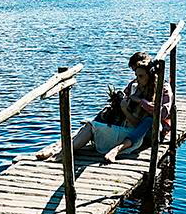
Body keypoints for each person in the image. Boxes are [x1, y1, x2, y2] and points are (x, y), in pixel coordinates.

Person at [36, 51, 172, 163]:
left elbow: (162, 113)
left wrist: (140, 102)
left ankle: (114, 149)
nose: (136, 77)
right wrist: (119, 102)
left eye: (139, 73)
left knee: (148, 120)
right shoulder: (135, 85)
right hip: (130, 124)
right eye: (135, 72)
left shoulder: (163, 88)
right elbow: (127, 98)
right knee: (100, 117)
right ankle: (60, 149)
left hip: (152, 130)